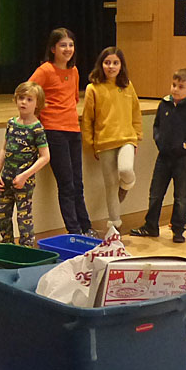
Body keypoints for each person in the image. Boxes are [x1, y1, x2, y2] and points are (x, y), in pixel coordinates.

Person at [131, 68, 186, 243]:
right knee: (155, 193)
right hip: (164, 158)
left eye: (180, 86)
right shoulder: (164, 104)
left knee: (181, 196)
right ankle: (151, 226)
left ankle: (178, 229)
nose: (175, 89)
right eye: (174, 85)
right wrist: (159, 141)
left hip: (183, 159)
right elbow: (157, 126)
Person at [30, 28, 93, 235]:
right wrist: (37, 121)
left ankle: (86, 227)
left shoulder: (73, 71)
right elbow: (28, 93)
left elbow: (73, 98)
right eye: (63, 45)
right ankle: (74, 231)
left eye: (71, 45)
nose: (68, 49)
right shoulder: (45, 70)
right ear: (53, 48)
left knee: (78, 183)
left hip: (73, 130)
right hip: (53, 131)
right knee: (66, 184)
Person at [81, 47, 142, 232]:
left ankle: (127, 184)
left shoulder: (127, 85)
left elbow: (135, 112)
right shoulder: (93, 88)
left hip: (127, 139)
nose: (111, 66)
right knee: (110, 186)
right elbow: (87, 119)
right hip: (104, 142)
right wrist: (91, 144)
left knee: (126, 170)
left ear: (121, 65)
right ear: (101, 64)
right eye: (107, 62)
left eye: (115, 63)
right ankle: (115, 226)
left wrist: (137, 137)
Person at [0, 81, 51, 246]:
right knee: (0, 213)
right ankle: (8, 245)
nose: (24, 102)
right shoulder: (11, 123)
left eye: (29, 99)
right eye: (21, 98)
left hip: (24, 182)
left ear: (37, 104)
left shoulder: (37, 129)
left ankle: (27, 249)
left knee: (23, 216)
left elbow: (45, 157)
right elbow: (4, 150)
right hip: (6, 179)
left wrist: (25, 175)